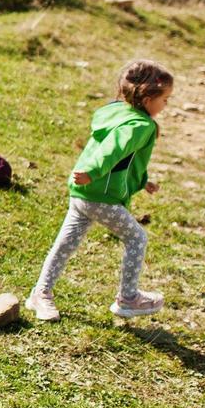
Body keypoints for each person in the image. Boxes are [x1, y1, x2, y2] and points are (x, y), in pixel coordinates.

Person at [27, 60, 175, 322]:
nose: (166, 106)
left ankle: (41, 293)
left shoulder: (115, 110)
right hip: (100, 195)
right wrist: (94, 172)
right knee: (136, 238)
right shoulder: (141, 126)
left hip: (83, 191)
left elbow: (127, 161)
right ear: (149, 97)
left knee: (65, 244)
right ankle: (128, 299)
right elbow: (113, 150)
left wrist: (143, 182)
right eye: (165, 99)